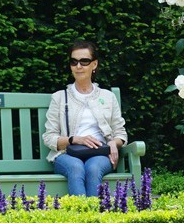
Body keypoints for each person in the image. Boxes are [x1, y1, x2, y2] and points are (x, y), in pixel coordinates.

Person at [43, 40, 128, 196]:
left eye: (84, 61)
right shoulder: (60, 98)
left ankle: (91, 217)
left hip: (100, 153)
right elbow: (49, 138)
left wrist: (113, 143)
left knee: (93, 168)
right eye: (74, 62)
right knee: (76, 167)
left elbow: (121, 133)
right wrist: (75, 139)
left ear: (94, 65)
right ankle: (85, 216)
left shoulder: (107, 97)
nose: (79, 66)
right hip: (66, 155)